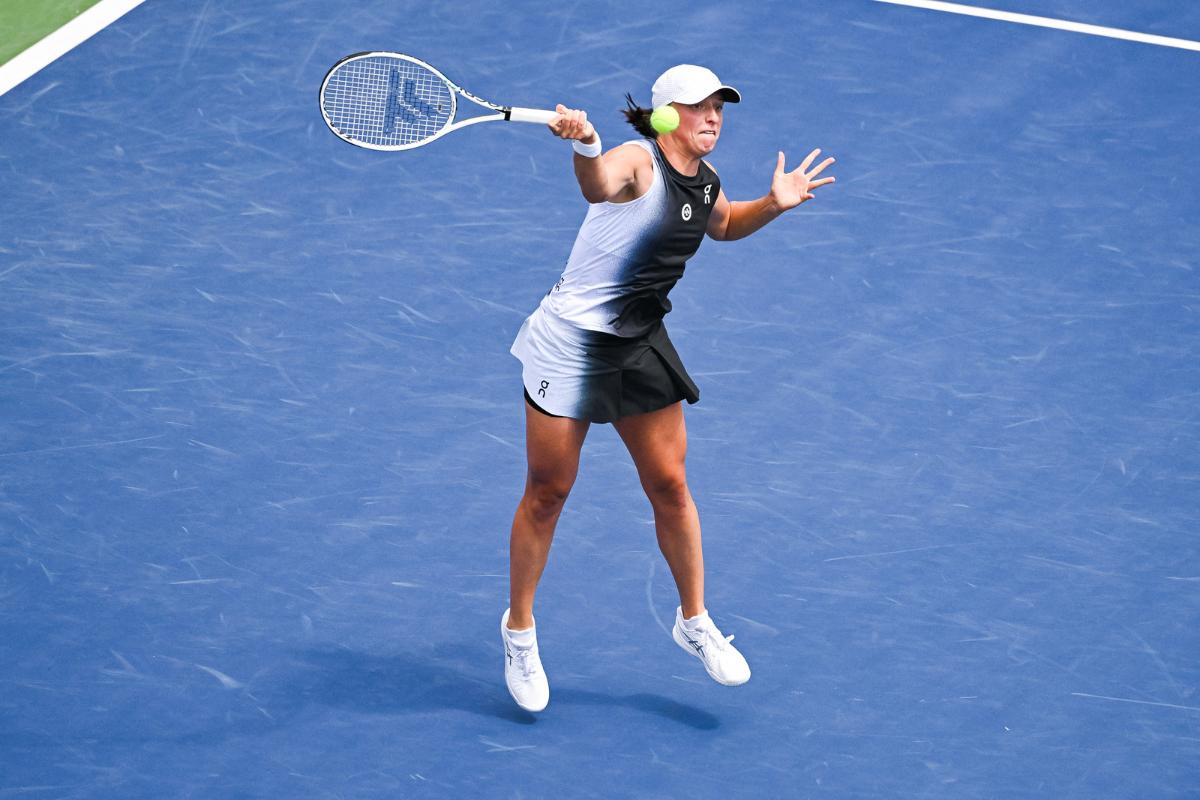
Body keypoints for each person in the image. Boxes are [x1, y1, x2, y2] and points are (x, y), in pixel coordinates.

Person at [501, 64, 836, 712]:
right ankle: (519, 631)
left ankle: (694, 620)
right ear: (663, 116)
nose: (714, 116)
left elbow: (726, 222)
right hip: (569, 343)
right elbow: (597, 185)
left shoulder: (704, 185)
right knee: (548, 493)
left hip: (639, 342)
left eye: (719, 107)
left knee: (671, 485)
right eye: (698, 106)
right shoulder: (637, 162)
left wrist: (775, 203)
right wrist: (585, 143)